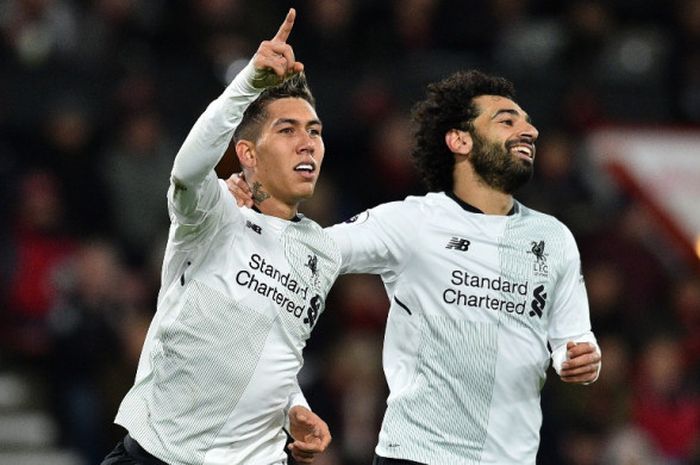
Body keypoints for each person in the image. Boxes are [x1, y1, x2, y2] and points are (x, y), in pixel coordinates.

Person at [229, 69, 602, 464]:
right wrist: (255, 202)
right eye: (507, 120)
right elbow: (312, 250)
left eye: (527, 121)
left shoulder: (553, 238)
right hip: (417, 455)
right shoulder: (413, 222)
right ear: (459, 140)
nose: (530, 130)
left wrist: (581, 359)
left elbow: (573, 341)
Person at [102, 9, 336, 465]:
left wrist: (297, 408)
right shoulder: (214, 210)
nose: (306, 143)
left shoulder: (322, 252)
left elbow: (272, 347)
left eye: (314, 131)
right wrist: (250, 82)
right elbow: (188, 169)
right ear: (246, 152)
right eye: (287, 130)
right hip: (160, 454)